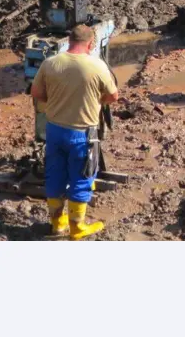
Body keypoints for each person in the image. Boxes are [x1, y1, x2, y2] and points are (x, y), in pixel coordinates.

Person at [31, 24, 119, 240]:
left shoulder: (50, 63)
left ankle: (57, 225)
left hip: (54, 130)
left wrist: (56, 103)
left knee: (54, 175)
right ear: (90, 44)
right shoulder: (97, 66)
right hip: (82, 134)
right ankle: (77, 228)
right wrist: (97, 101)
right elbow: (113, 96)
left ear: (69, 41)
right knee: (82, 176)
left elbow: (36, 93)